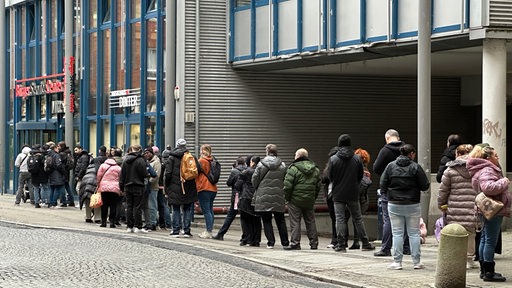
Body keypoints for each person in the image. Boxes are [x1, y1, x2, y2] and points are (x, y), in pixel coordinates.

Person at [380, 144, 430, 270]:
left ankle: (397, 262)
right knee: (414, 233)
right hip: (412, 204)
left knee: (397, 233)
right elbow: (425, 186)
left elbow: (383, 183)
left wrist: (388, 194)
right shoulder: (415, 167)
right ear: (411, 153)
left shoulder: (390, 166)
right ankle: (416, 262)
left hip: (394, 203)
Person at [467, 144, 509, 282]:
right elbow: (488, 187)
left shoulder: (482, 169)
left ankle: (484, 270)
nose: (498, 158)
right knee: (490, 240)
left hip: (485, 209)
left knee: (485, 239)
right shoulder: (487, 170)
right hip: (492, 209)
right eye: (496, 156)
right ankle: (489, 272)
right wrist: (504, 181)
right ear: (488, 158)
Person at [328, 134, 374, 253]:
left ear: (339, 144)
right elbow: (360, 176)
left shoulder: (333, 159)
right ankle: (365, 242)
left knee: (340, 219)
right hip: (353, 193)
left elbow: (330, 176)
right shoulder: (357, 159)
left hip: (338, 193)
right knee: (358, 218)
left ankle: (341, 244)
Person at [437, 144, 478, 269]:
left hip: (454, 207)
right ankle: (469, 259)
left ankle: (456, 258)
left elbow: (443, 190)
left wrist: (441, 204)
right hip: (472, 206)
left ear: (457, 154)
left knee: (455, 233)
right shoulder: (477, 169)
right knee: (471, 233)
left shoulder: (450, 170)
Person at [373, 129, 409, 257]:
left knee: (388, 218)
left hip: (389, 189)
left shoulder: (385, 151)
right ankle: (406, 247)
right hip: (406, 189)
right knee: (406, 218)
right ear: (398, 137)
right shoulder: (405, 149)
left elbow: (376, 168)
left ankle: (386, 248)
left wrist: (386, 176)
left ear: (387, 138)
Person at [252, 144, 290, 249]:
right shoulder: (282, 165)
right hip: (278, 195)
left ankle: (271, 242)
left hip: (263, 196)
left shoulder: (260, 164)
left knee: (266, 219)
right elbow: (285, 179)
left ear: (267, 151)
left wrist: (258, 188)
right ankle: (285, 243)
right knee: (280, 219)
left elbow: (254, 180)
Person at [283, 148, 321, 250]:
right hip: (309, 201)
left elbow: (287, 186)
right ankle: (314, 243)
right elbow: (318, 186)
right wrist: (313, 197)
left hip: (295, 201)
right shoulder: (315, 169)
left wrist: (288, 198)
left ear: (298, 156)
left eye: (295, 155)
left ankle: (295, 243)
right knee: (310, 221)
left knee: (295, 222)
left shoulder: (293, 168)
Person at [165, 138, 199, 238]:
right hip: (189, 186)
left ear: (176, 145)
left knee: (175, 208)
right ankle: (187, 230)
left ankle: (176, 230)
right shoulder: (191, 156)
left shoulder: (171, 158)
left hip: (175, 186)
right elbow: (198, 170)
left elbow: (168, 173)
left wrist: (167, 186)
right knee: (187, 208)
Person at [345, 148, 372, 249]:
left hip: (354, 198)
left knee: (348, 219)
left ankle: (352, 241)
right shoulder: (367, 171)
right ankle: (356, 241)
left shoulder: (356, 169)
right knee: (357, 220)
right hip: (364, 199)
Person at [213, 156, 246, 241]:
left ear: (237, 163)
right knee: (244, 217)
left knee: (230, 216)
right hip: (245, 196)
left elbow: (228, 183)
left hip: (236, 197)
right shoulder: (247, 170)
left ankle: (220, 234)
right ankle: (245, 236)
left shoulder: (234, 171)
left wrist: (232, 171)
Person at [119, 145, 150, 233]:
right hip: (138, 186)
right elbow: (144, 174)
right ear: (139, 150)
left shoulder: (125, 160)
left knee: (129, 206)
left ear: (131, 150)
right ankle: (138, 226)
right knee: (137, 207)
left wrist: (121, 187)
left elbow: (122, 175)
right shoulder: (141, 160)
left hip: (127, 186)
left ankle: (129, 226)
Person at [235, 156, 262, 246]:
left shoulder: (247, 172)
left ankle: (246, 239)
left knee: (245, 219)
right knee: (256, 219)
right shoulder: (262, 171)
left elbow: (238, 185)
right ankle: (256, 240)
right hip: (257, 197)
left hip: (246, 197)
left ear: (252, 162)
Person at [196, 144, 218, 239]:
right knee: (210, 210)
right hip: (212, 188)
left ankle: (208, 231)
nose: (200, 152)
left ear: (204, 151)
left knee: (206, 211)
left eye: (201, 150)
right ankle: (209, 230)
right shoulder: (212, 160)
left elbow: (195, 172)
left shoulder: (202, 161)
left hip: (204, 187)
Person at [97, 148, 123, 228]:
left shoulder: (103, 166)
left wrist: (98, 185)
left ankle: (103, 222)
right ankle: (112, 222)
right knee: (113, 205)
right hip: (114, 189)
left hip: (104, 188)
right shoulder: (118, 168)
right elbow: (121, 178)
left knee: (104, 205)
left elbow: (99, 176)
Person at [143, 146, 161, 231]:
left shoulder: (156, 162)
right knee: (147, 206)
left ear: (152, 153)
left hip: (153, 187)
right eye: (145, 153)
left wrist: (149, 182)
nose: (146, 154)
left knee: (152, 205)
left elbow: (156, 175)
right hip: (147, 187)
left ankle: (153, 222)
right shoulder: (147, 161)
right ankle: (149, 222)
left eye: (148, 153)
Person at [79, 158, 101, 223]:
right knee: (96, 201)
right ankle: (97, 218)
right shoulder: (99, 168)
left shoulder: (88, 167)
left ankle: (88, 217)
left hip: (85, 184)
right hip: (93, 184)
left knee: (87, 201)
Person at [58, 141, 76, 207]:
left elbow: (60, 164)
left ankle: (64, 201)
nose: (58, 147)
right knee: (67, 187)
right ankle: (72, 201)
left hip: (63, 172)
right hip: (67, 172)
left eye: (59, 146)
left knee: (62, 187)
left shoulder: (62, 154)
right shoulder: (68, 152)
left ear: (62, 146)